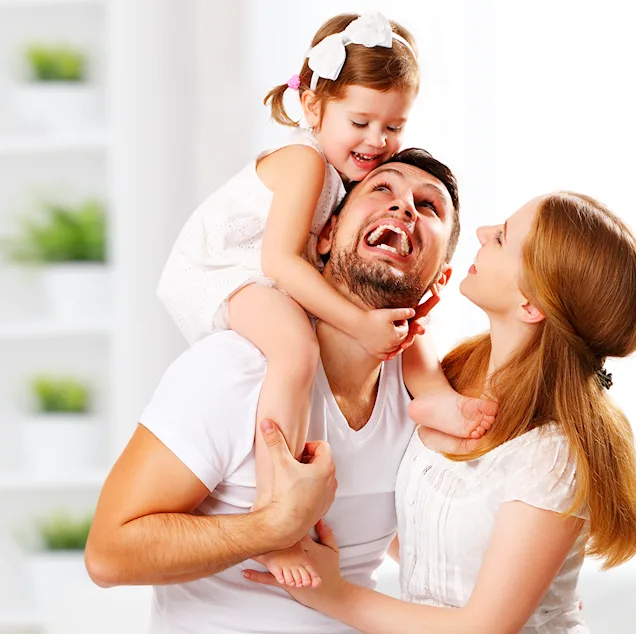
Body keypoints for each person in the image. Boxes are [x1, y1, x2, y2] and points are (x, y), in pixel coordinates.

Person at [155, 12, 493, 588]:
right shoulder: (306, 161)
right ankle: (277, 515)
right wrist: (360, 324)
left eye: (393, 128)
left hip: (281, 269)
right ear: (313, 108)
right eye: (360, 121)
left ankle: (432, 391)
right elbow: (279, 261)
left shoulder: (346, 177)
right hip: (225, 269)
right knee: (294, 350)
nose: (377, 143)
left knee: (396, 306)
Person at [85, 150, 463, 634]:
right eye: (382, 188)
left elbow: (405, 538)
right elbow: (108, 555)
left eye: (428, 206)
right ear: (326, 235)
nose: (404, 207)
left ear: (441, 280)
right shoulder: (233, 368)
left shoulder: (423, 398)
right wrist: (270, 528)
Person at [245, 192, 636, 633]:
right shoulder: (451, 382)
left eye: (500, 238)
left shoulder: (551, 455)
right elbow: (439, 531)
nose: (481, 233)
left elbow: (483, 628)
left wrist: (333, 592)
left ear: (530, 306)